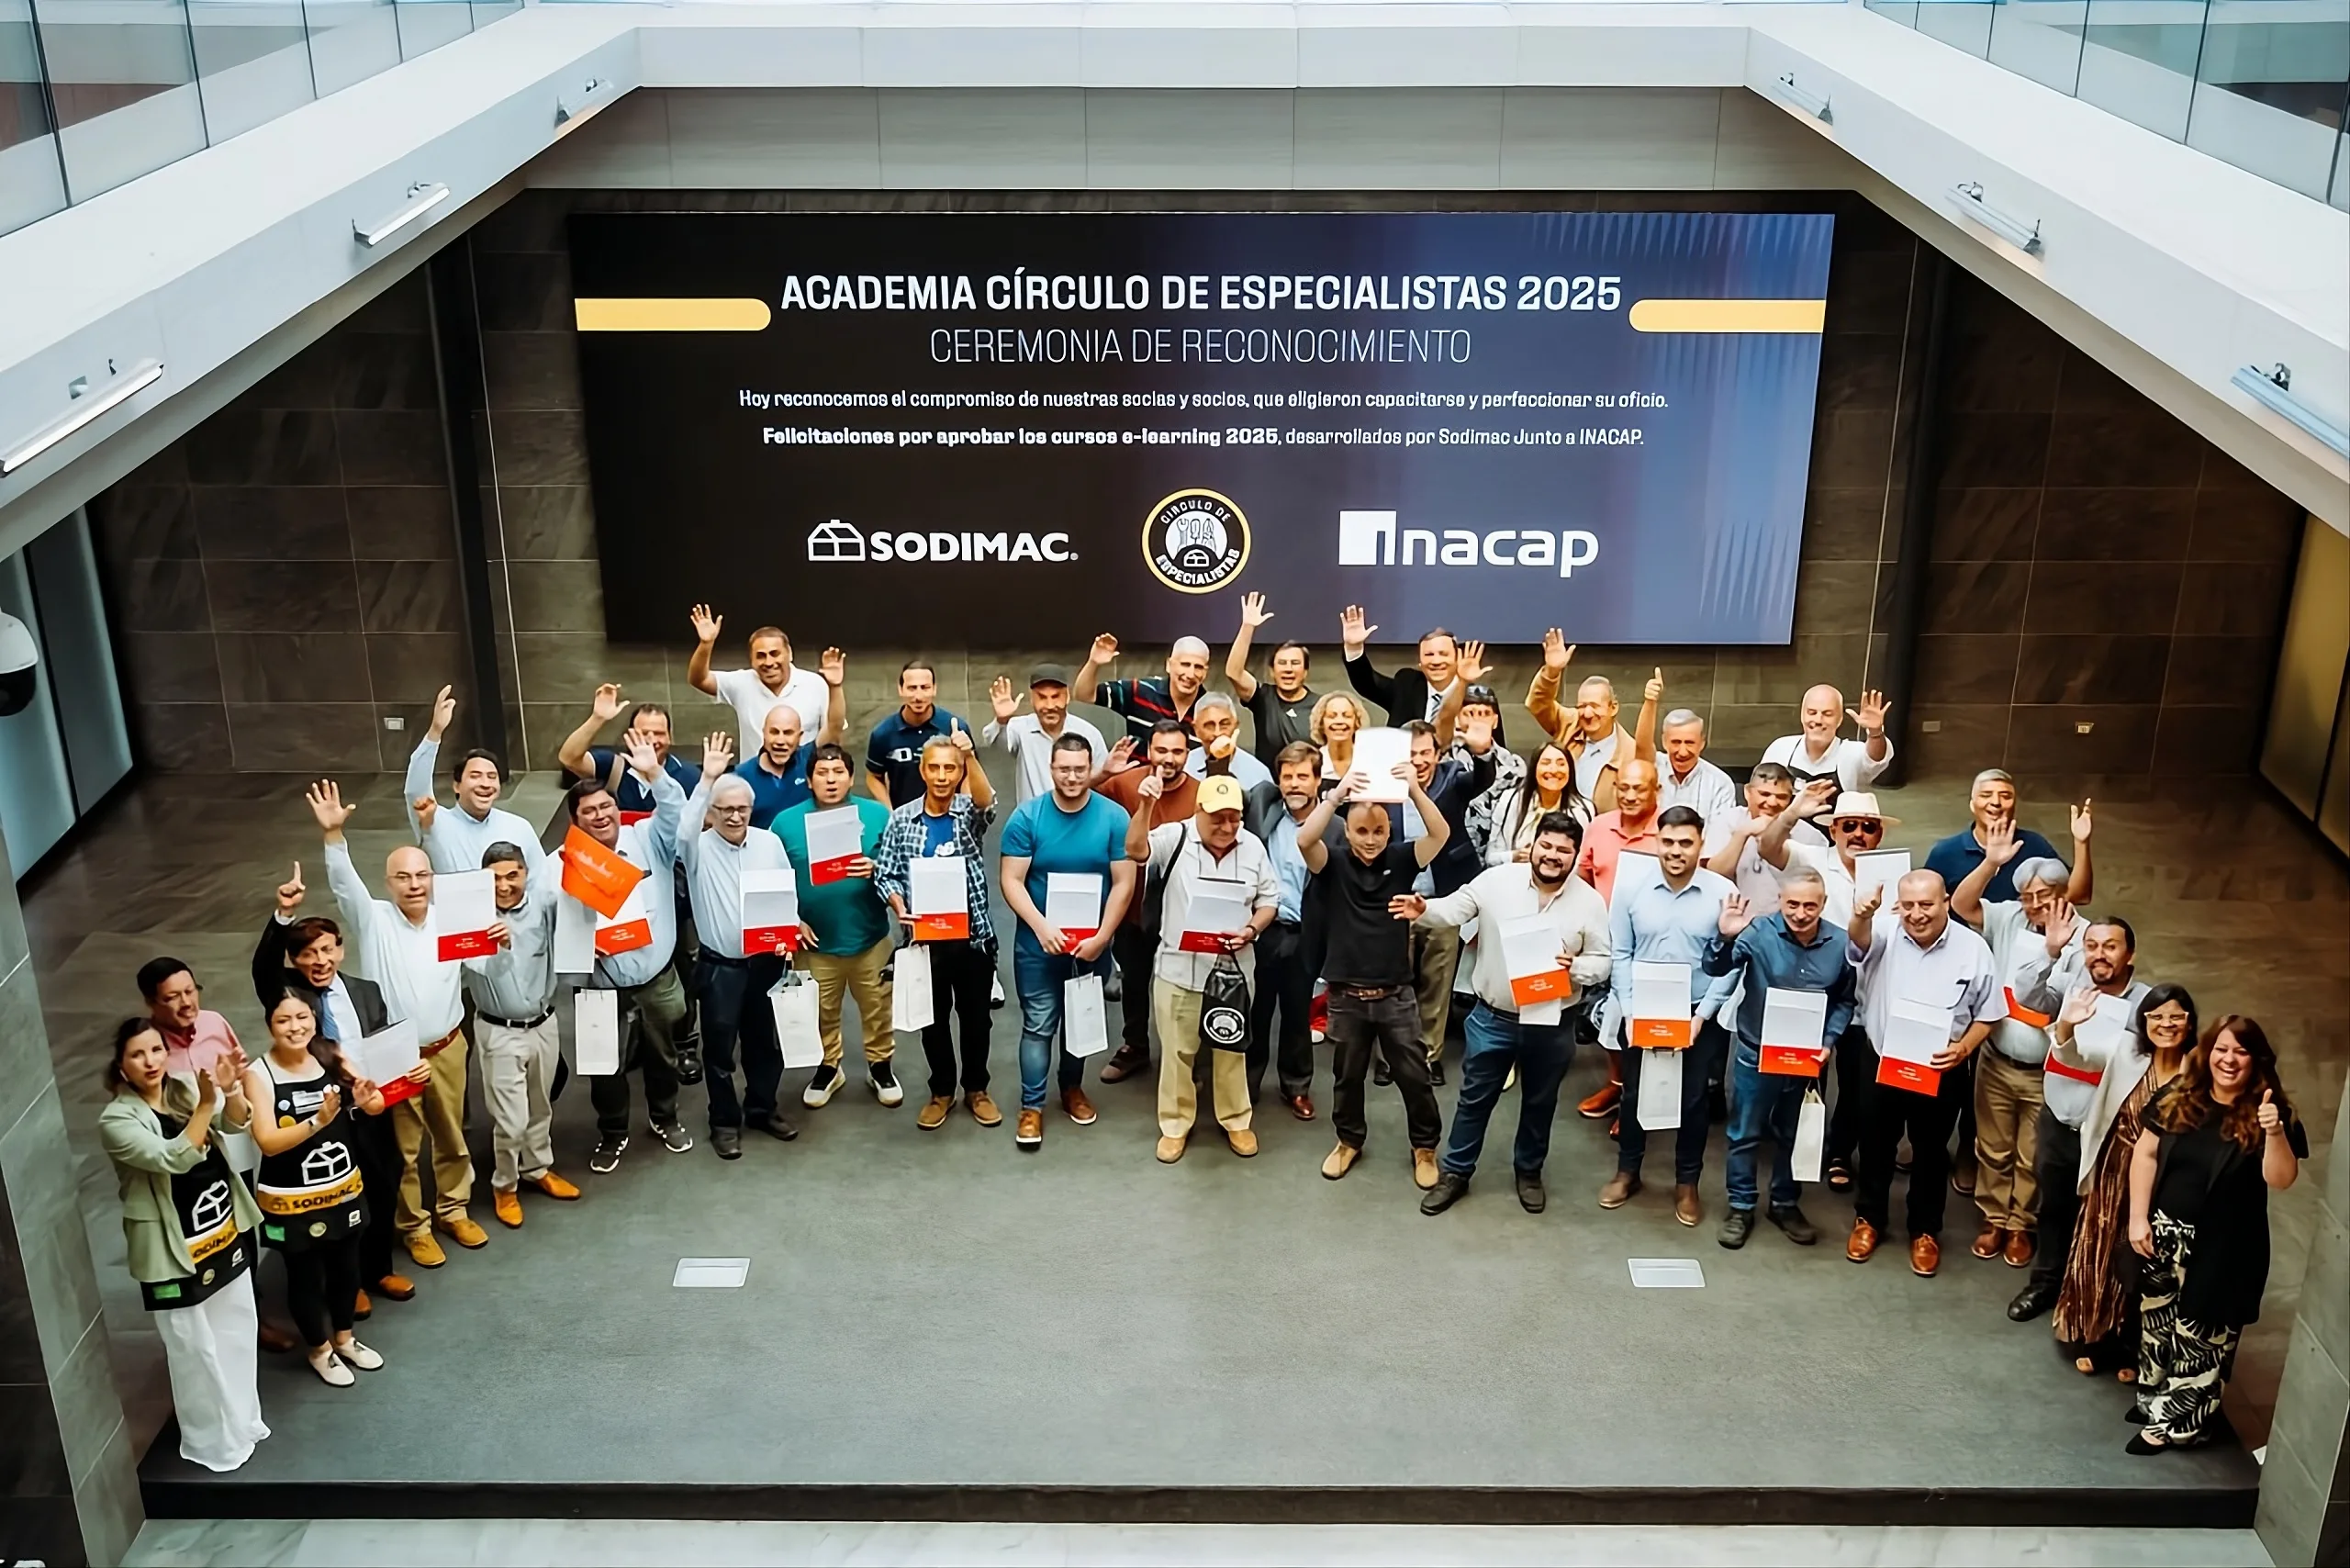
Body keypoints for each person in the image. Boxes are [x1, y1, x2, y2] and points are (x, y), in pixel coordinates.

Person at [308, 780, 479, 1268]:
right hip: (395, 1055)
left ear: (432, 879)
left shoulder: (452, 920)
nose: (414, 884)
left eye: (422, 875)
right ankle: (415, 1227)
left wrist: (499, 940)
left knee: (452, 1136)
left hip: (448, 1046)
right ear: (388, 884)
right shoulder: (374, 920)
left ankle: (454, 1208)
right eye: (403, 877)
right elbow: (345, 885)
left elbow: (485, 963)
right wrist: (333, 836)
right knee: (403, 1149)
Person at [1404, 812, 1610, 1215]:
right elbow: (1454, 909)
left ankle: (1529, 1172)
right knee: (1473, 1100)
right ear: (1533, 845)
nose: (1552, 855)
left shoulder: (1589, 901)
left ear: (1575, 856)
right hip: (1494, 1018)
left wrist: (1576, 967)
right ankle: (1456, 1172)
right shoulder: (1496, 881)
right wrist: (1423, 908)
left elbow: (1603, 961)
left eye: (1563, 850)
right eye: (1546, 845)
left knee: (1540, 1103)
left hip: (1553, 1023)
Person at [2125, 1017, 2305, 1454]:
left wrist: (2274, 1131)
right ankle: (2153, 1399)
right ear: (2208, 1052)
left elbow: (2281, 1179)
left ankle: (2174, 1424)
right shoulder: (2180, 1095)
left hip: (2224, 1249)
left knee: (2201, 1338)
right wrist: (2137, 1217)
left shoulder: (2271, 1111)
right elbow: (2146, 1153)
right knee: (2158, 1324)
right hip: (2164, 1237)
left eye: (2241, 1052)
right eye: (2222, 1049)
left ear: (2256, 1060)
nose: (2229, 1060)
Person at [99, 1019, 267, 1471]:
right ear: (122, 1066)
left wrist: (230, 1091)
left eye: (156, 1050)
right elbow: (171, 1157)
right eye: (138, 1054)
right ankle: (212, 1441)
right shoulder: (116, 1120)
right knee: (194, 1348)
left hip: (220, 1227)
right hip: (172, 1247)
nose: (151, 1061)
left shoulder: (184, 1089)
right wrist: (208, 1103)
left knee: (237, 1329)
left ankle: (243, 1421)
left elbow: (234, 1123)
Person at [252, 879, 417, 1315]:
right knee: (335, 1197)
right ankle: (345, 1284)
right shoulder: (289, 991)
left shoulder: (366, 991)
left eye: (327, 950)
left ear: (341, 950)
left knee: (382, 1186)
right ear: (294, 960)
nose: (319, 961)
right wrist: (283, 914)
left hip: (370, 1108)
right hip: (322, 1116)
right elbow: (263, 968)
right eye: (308, 953)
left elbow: (383, 1048)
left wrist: (407, 1072)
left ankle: (378, 1270)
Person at [1843, 870, 2003, 1277]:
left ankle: (1925, 1231)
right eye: (1909, 905)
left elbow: (1989, 1014)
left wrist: (1964, 1048)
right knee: (1875, 1146)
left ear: (1946, 902)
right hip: (1883, 1061)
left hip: (1941, 1068)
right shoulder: (1883, 931)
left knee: (1931, 1152)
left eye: (1927, 905)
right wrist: (1862, 915)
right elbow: (1859, 941)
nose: (1917, 914)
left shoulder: (1973, 948)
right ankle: (1869, 1220)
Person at [1298, 763, 1449, 1186]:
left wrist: (1414, 790)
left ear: (1389, 832)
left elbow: (1440, 835)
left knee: (1415, 1077)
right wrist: (1336, 796)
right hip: (1346, 994)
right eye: (1361, 831)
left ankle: (1425, 1147)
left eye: (1378, 831)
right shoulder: (1332, 863)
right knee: (1346, 1077)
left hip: (1396, 993)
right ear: (1347, 832)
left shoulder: (1401, 859)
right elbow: (1305, 839)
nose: (1370, 839)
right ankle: (1348, 1140)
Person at [1702, 870, 1857, 1249]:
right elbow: (1715, 968)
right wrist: (1725, 936)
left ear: (1823, 904)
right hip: (1756, 1052)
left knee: (1794, 1133)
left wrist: (1829, 1041)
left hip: (1806, 1058)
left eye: (1810, 905)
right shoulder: (1757, 932)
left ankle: (1784, 1202)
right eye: (1792, 904)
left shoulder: (1841, 943)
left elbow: (1845, 999)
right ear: (1780, 901)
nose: (1801, 914)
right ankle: (1741, 1205)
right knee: (1744, 1133)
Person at [1128, 774, 1280, 1162]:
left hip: (1233, 972)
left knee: (1231, 1050)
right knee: (1177, 1053)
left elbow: (1269, 899)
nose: (1227, 827)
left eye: (1234, 818)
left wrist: (1252, 929)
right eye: (1218, 818)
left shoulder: (1252, 847)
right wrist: (1145, 806)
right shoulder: (1175, 837)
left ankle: (1236, 1120)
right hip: (1179, 970)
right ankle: (1175, 1124)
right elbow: (1135, 849)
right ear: (1198, 811)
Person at [1951, 826, 2083, 1270]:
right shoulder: (2008, 917)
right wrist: (1992, 863)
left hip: (2047, 1070)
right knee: (1993, 1146)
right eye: (2027, 897)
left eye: (2044, 896)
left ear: (2064, 895)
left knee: (2032, 1153)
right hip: (1997, 1060)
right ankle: (1993, 1218)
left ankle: (2020, 1223)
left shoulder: (2084, 938)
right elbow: (1962, 904)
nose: (2035, 905)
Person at [560, 735, 693, 1172]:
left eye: (607, 807)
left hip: (656, 977)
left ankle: (664, 1117)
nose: (601, 816)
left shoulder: (647, 838)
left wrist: (655, 773)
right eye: (589, 811)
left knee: (663, 1055)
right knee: (603, 1065)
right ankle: (613, 1132)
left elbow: (675, 810)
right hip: (599, 985)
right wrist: (580, 943)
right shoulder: (563, 862)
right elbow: (549, 918)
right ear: (575, 821)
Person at [998, 733, 1136, 1148]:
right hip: (1038, 945)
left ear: (1090, 768)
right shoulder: (1027, 817)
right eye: (1064, 769)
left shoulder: (1114, 818)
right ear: (1052, 769)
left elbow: (1123, 883)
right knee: (1039, 1024)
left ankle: (1072, 1088)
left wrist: (1103, 937)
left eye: (1079, 769)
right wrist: (1041, 928)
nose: (1072, 777)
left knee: (1081, 1020)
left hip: (1091, 946)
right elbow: (1011, 880)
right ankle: (1032, 1106)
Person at [241, 991, 385, 1387]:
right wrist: (317, 1122)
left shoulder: (330, 1054)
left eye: (302, 1017)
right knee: (305, 1276)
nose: (295, 1027)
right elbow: (267, 1142)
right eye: (284, 1020)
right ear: (270, 1025)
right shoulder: (258, 1074)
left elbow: (374, 1104)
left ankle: (345, 1339)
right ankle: (319, 1350)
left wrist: (367, 1100)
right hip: (292, 1199)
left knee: (347, 1269)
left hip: (342, 1189)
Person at [2013, 915, 2149, 1325]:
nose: (2099, 955)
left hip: (2108, 1133)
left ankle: (2085, 1296)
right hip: (2058, 1120)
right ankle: (2044, 1283)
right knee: (2052, 1207)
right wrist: (2050, 951)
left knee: (2100, 1216)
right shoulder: (2071, 984)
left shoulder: (2147, 1005)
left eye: (2110, 946)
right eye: (2091, 946)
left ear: (2130, 955)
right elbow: (2028, 996)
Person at [1602, 805, 1734, 1226]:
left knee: (1694, 1100)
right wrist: (1628, 1010)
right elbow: (1620, 952)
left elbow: (1732, 964)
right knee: (1634, 1094)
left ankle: (1687, 1183)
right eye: (1668, 842)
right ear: (1656, 842)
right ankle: (1627, 1172)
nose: (1676, 851)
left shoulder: (1722, 892)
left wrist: (1703, 1015)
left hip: (1696, 1012)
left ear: (1701, 844)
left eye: (1686, 843)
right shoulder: (1630, 889)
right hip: (1643, 1009)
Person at [2050, 980, 2188, 1372]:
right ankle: (2095, 1337)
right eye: (2157, 1016)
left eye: (2176, 1017)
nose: (2166, 1024)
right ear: (2144, 1021)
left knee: (2147, 1259)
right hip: (2114, 1170)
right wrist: (2067, 1024)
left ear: (2190, 1022)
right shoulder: (2126, 1050)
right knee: (2101, 1250)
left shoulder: (2196, 1070)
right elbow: (2075, 1057)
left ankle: (2134, 1346)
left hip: (2164, 1179)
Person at [1756, 782, 1886, 1188]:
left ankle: (1839, 1153)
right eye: (1849, 826)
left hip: (1869, 996)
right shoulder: (1810, 857)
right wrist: (1792, 813)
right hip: (1814, 993)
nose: (1858, 834)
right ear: (1833, 830)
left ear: (1879, 834)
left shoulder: (1893, 872)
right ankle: (1794, 1151)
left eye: (1868, 827)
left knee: (1855, 1084)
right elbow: (1768, 847)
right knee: (1804, 1078)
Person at [677, 748, 801, 1159]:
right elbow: (683, 830)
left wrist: (789, 929)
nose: (734, 816)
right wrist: (706, 782)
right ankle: (724, 1122)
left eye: (742, 809)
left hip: (766, 961)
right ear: (711, 813)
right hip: (721, 968)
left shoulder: (769, 843)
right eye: (725, 809)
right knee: (719, 1051)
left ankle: (762, 1109)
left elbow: (785, 893)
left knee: (765, 1044)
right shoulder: (696, 848)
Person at [874, 732, 1000, 1130]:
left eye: (950, 768)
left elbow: (987, 804)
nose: (942, 776)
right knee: (933, 1021)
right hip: (925, 941)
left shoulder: (968, 812)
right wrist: (899, 905)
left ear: (960, 772)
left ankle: (977, 1089)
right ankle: (942, 1090)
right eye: (935, 768)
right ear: (922, 771)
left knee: (977, 1020)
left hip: (973, 937)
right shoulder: (901, 819)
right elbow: (886, 873)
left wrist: (971, 757)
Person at [774, 745, 901, 1107]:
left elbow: (901, 866)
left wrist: (877, 868)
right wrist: (791, 920)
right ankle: (829, 1067)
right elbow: (772, 879)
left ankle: (880, 1066)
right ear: (809, 780)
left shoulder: (878, 815)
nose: (831, 780)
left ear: (851, 777)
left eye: (838, 773)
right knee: (821, 1011)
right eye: (822, 773)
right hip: (814, 943)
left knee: (877, 1007)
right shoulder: (784, 823)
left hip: (870, 937)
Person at [460, 839, 578, 1221]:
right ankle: (505, 1185)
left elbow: (580, 917)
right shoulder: (469, 918)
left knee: (541, 1106)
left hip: (544, 1023)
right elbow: (476, 968)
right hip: (499, 1030)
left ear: (526, 873)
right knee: (511, 1121)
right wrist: (500, 947)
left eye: (513, 875)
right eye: (494, 878)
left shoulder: (545, 904)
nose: (504, 885)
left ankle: (537, 1168)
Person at [1091, 722, 1199, 1084]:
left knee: (1183, 985)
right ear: (1149, 750)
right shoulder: (1124, 784)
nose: (1169, 759)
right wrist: (1103, 773)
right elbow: (1074, 794)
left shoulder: (1200, 794)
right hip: (1133, 905)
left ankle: (1184, 1053)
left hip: (1182, 911)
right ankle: (1135, 1046)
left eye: (1177, 751)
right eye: (1162, 750)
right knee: (1135, 981)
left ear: (1187, 754)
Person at [1395, 711, 1496, 1083]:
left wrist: (1482, 752)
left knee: (1437, 981)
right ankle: (1392, 1055)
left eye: (1426, 753)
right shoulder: (1383, 786)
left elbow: (1482, 779)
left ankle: (1429, 1054)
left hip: (1442, 900)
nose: (1418, 761)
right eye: (1411, 754)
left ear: (1438, 755)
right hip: (1395, 900)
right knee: (1393, 983)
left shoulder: (1453, 778)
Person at [1245, 742, 1323, 1117]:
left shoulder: (1332, 826)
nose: (1294, 784)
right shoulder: (1264, 809)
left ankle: (1296, 1086)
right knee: (1255, 1011)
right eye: (1287, 776)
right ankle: (1246, 1084)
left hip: (1304, 933)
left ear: (1318, 781)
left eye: (1303, 776)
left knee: (1296, 1014)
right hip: (1262, 929)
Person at [401, 685, 544, 877]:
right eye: (475, 776)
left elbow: (541, 878)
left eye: (492, 777)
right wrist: (435, 732)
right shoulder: (435, 822)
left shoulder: (519, 827)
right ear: (457, 785)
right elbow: (416, 791)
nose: (485, 783)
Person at [1525, 632, 1658, 812]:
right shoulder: (1569, 724)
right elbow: (1538, 703)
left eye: (1595, 706)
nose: (1587, 714)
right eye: (1582, 706)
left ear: (1613, 708)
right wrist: (1552, 672)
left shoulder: (1629, 753)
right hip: (1555, 821)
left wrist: (1651, 702)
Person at [1924, 771, 2094, 906]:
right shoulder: (1945, 852)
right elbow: (1925, 904)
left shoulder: (2033, 845)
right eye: (1986, 795)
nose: (1996, 802)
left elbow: (2078, 896)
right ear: (1972, 805)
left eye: (2006, 796)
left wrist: (2081, 842)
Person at [686, 605, 831, 759]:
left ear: (789, 654)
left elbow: (833, 732)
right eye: (761, 656)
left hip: (802, 773)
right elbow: (699, 679)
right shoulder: (742, 683)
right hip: (753, 774)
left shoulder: (815, 684)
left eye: (775, 654)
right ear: (751, 660)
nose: (769, 662)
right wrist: (706, 644)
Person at [555, 687, 703, 816]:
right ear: (629, 735)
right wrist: (597, 719)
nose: (651, 740)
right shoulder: (612, 768)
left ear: (669, 737)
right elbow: (569, 758)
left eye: (659, 733)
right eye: (643, 733)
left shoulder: (690, 776)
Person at [984, 665, 1107, 806]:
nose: (1050, 706)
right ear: (1032, 699)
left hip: (1078, 815)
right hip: (1033, 817)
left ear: (1067, 696)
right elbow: (995, 744)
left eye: (1056, 697)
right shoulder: (1020, 728)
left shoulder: (1088, 733)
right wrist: (1002, 720)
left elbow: (1103, 782)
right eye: (1042, 697)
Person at [1758, 685, 1893, 812]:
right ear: (1802, 715)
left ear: (1839, 719)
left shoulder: (1851, 752)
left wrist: (1875, 732)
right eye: (1812, 713)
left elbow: (1876, 759)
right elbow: (1759, 796)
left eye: (1827, 714)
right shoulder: (1780, 748)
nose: (1818, 720)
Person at [1224, 591, 1316, 765]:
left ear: (1305, 671)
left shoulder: (1320, 706)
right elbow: (1234, 672)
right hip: (1268, 780)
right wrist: (1247, 627)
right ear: (1272, 671)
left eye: (1295, 663)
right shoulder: (1263, 697)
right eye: (1282, 663)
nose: (1288, 669)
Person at [1075, 631, 1210, 745]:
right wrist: (1093, 663)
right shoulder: (1140, 691)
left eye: (1198, 667)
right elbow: (1084, 695)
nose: (1190, 674)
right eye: (1185, 665)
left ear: (1205, 672)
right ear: (1169, 665)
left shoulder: (1211, 709)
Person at [867, 660, 969, 807]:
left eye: (925, 688)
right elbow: (873, 776)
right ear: (901, 690)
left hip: (950, 814)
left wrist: (965, 807)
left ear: (934, 689)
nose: (918, 696)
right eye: (912, 688)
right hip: (904, 816)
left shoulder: (956, 728)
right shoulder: (883, 734)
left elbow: (969, 773)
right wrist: (889, 812)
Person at [1702, 762, 1799, 911]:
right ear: (1747, 792)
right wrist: (1742, 834)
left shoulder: (1809, 835)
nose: (1772, 802)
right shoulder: (1726, 820)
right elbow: (1714, 874)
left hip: (1786, 920)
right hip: (1734, 917)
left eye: (1781, 797)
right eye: (1764, 794)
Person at [1338, 605, 1458, 723]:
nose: (1436, 661)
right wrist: (1354, 648)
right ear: (1420, 663)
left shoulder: (1467, 693)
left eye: (1443, 654)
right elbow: (1368, 684)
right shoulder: (1407, 686)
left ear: (1457, 659)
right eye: (1429, 655)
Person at [1576, 755, 1664, 906]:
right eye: (1623, 788)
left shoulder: (1670, 830)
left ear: (1657, 790)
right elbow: (1583, 878)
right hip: (1602, 918)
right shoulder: (1599, 826)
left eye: (1640, 790)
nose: (1630, 797)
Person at [1451, 685, 1524, 864]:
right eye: (1470, 713)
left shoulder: (1514, 766)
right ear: (1457, 718)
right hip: (1450, 856)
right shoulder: (1442, 760)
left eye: (1484, 714)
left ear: (1495, 721)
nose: (1477, 720)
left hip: (1495, 857)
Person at [1487, 741, 1592, 867]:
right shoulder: (1510, 800)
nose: (1553, 770)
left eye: (1561, 764)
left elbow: (1585, 862)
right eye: (1546, 763)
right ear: (1534, 768)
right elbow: (1490, 858)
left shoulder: (1583, 810)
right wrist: (1514, 857)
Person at [735, 705, 820, 831]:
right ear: (764, 733)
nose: (780, 740)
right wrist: (710, 778)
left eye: (788, 733)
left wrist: (834, 693)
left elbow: (834, 727)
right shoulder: (741, 776)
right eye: (774, 732)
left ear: (800, 736)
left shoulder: (809, 760)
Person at [1653, 706, 1738, 825]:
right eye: (1676, 742)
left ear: (1702, 743)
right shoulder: (1651, 767)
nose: (1682, 752)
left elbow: (1721, 831)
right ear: (1664, 741)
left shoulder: (1720, 783)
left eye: (1690, 743)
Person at [1184, 692, 1272, 790]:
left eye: (1224, 725)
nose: (1217, 733)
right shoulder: (1184, 767)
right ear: (1196, 729)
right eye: (1209, 726)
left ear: (1236, 726)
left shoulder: (1258, 773)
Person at [1310, 690, 1368, 779]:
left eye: (1347, 716)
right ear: (1320, 724)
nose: (1339, 721)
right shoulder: (1311, 764)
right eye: (1331, 716)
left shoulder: (1370, 761)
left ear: (1357, 723)